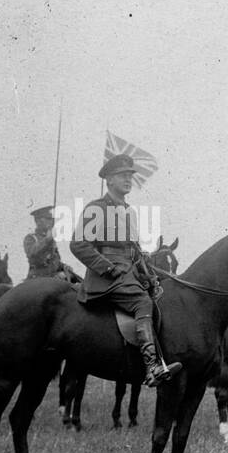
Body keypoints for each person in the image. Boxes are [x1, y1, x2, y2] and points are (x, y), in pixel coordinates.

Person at [69, 153, 182, 387]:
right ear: (109, 180)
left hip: (128, 275)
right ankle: (151, 366)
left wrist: (150, 275)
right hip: (106, 278)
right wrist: (108, 268)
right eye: (122, 175)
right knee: (143, 303)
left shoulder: (128, 211)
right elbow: (78, 244)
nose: (128, 179)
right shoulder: (97, 208)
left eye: (130, 175)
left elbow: (134, 252)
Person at [24, 205, 80, 282]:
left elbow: (54, 259)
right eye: (48, 219)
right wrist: (47, 239)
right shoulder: (31, 238)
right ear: (38, 221)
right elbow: (32, 253)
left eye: (52, 219)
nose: (51, 222)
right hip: (38, 277)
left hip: (54, 275)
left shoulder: (51, 239)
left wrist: (63, 266)